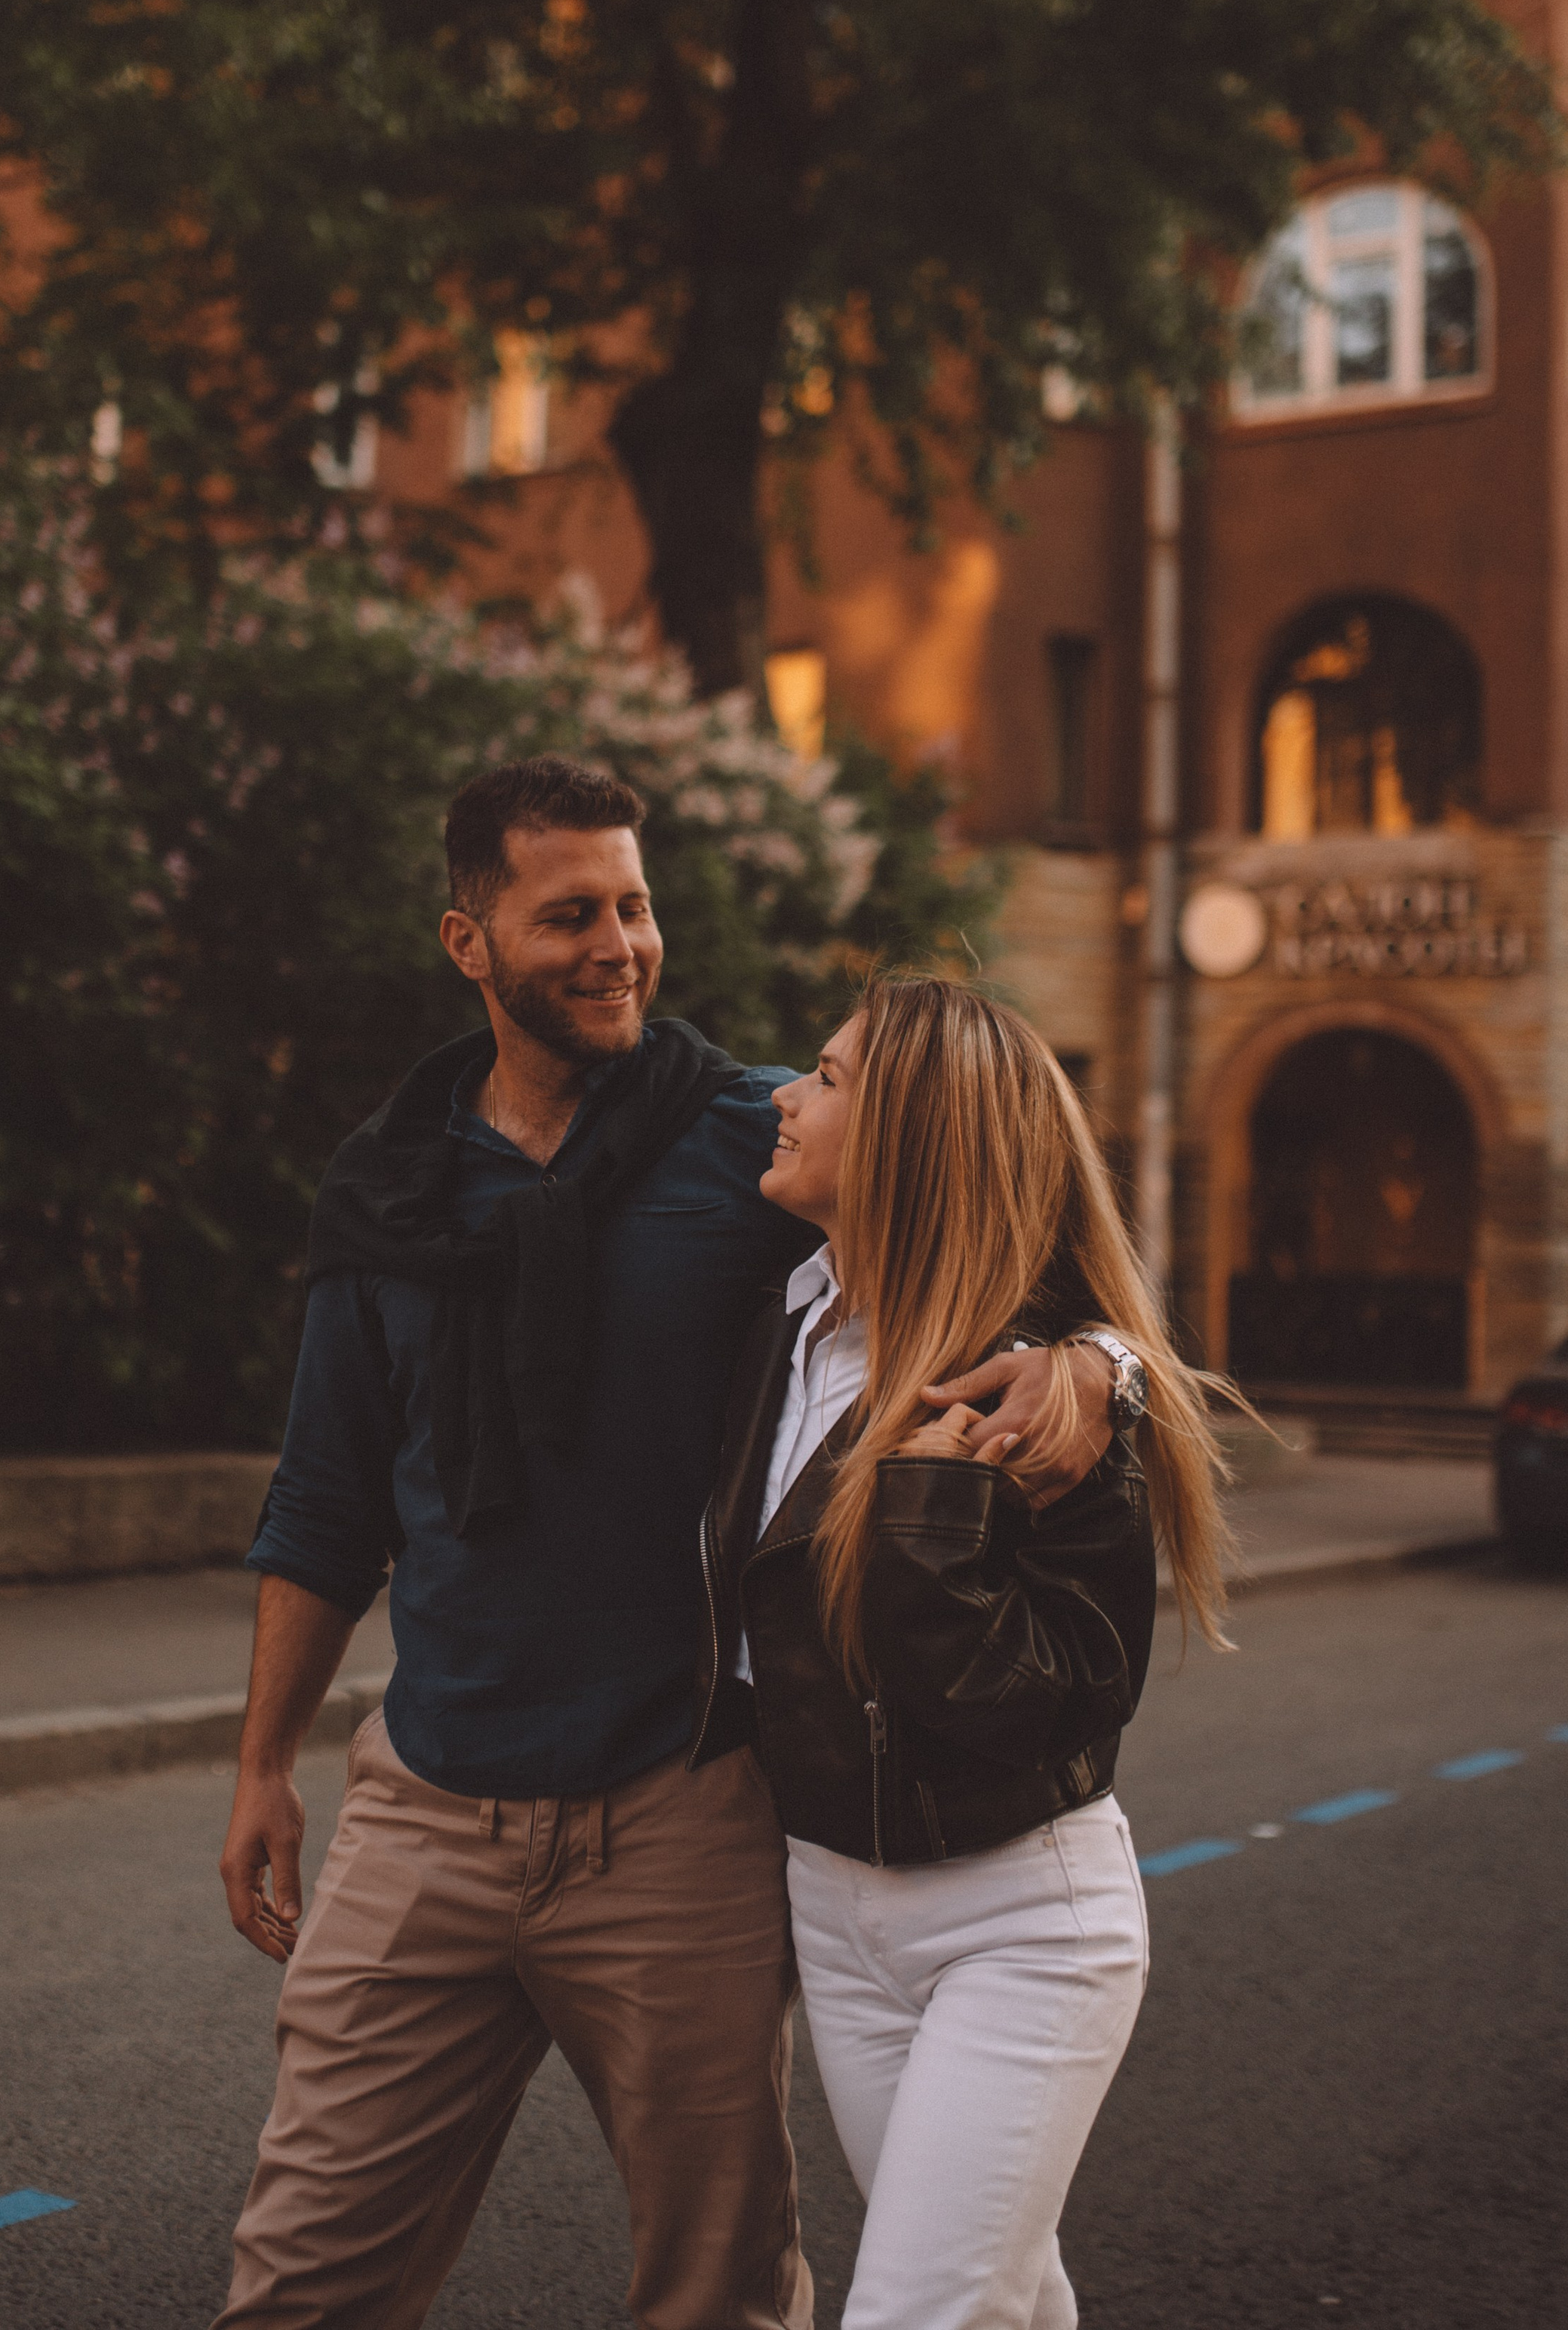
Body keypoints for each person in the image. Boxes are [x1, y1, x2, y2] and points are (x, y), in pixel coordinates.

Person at [212, 756, 1119, 2330]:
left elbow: (985, 1214)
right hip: (424, 1803)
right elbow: (328, 1493)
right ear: (467, 940)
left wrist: (1099, 1357)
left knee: (715, 2298)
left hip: (683, 1814)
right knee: (297, 2282)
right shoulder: (387, 1186)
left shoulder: (754, 1137)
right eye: (567, 914)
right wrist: (258, 1762)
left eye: (634, 906)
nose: (617, 944)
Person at [693, 974, 1234, 2330]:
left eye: (823, 1075)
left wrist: (939, 1510)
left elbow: (1046, 1707)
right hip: (834, 1903)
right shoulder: (785, 1321)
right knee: (1010, 2296)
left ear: (909, 1137)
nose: (783, 1095)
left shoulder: (1033, 1392)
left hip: (1016, 1923)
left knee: (919, 2311)